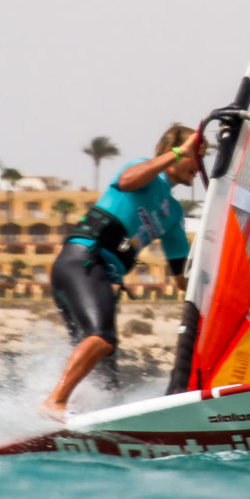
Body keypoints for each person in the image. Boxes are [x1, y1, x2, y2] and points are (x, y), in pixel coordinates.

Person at [38, 123, 204, 419]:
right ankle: (54, 402)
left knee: (105, 377)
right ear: (174, 153)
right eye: (196, 155)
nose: (200, 164)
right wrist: (180, 151)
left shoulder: (174, 214)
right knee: (102, 338)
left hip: (98, 275)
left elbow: (182, 278)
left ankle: (74, 419)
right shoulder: (141, 171)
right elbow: (127, 182)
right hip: (82, 262)